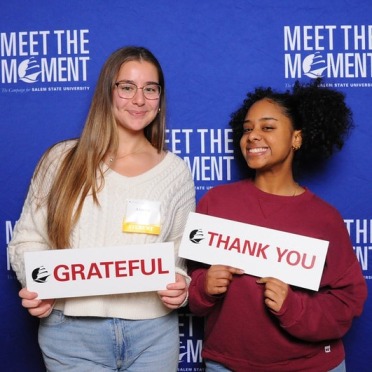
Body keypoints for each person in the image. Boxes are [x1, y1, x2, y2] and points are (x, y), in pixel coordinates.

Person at [9, 46, 195, 371]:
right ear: (107, 91)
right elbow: (26, 240)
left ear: (160, 98)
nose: (139, 100)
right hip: (71, 335)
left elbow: (179, 252)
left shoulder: (175, 171)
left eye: (150, 89)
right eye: (127, 87)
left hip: (152, 334)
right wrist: (38, 284)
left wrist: (180, 284)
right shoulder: (62, 159)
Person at [187, 80, 367, 372]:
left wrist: (293, 307)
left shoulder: (324, 218)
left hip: (311, 366)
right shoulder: (215, 203)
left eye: (267, 127)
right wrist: (204, 287)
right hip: (228, 364)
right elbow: (190, 287)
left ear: (296, 138)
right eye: (247, 129)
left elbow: (346, 303)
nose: (253, 136)